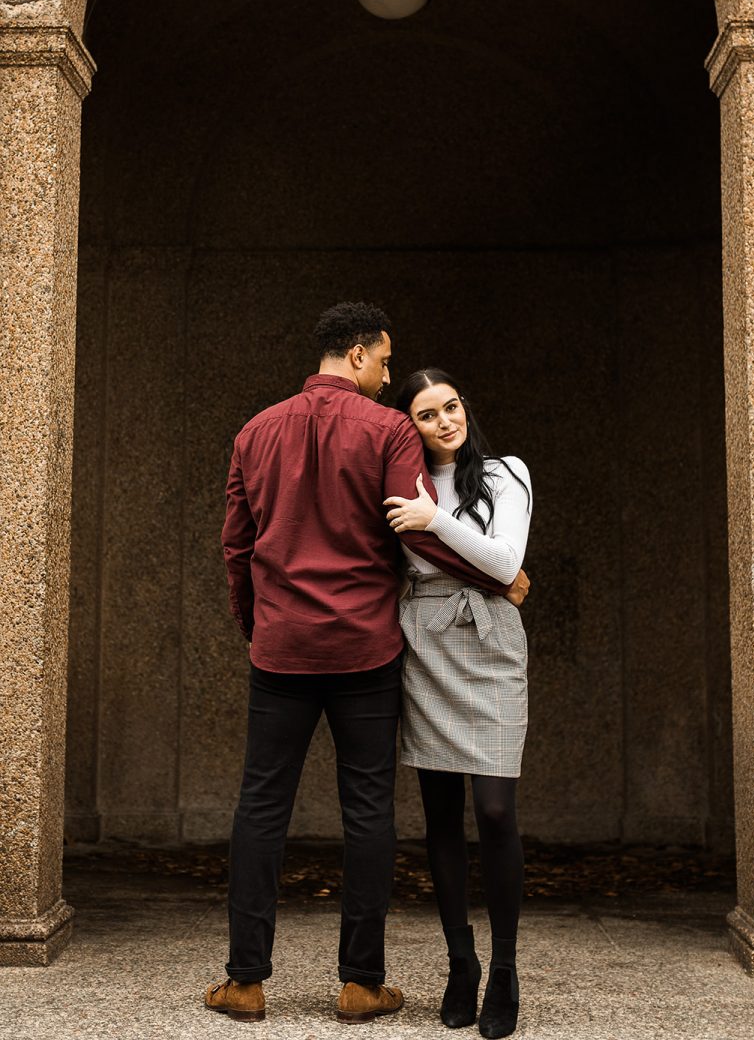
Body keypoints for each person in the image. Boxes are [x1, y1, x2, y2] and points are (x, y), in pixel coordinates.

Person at [204, 303, 528, 1026]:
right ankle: (361, 982)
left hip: (282, 648)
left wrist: (257, 625)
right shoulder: (385, 430)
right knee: (368, 811)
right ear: (355, 354)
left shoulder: (255, 432)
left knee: (260, 808)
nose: (386, 377)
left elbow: (236, 545)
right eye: (384, 362)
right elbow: (412, 527)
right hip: (366, 649)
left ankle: (246, 981)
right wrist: (496, 578)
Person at [384, 369, 532, 1040]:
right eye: (426, 414)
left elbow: (505, 565)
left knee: (495, 811)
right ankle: (461, 964)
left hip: (492, 639)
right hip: (427, 641)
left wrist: (435, 518)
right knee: (441, 815)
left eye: (451, 405)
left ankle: (504, 969)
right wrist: (420, 513)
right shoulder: (404, 485)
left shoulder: (506, 473)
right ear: (408, 426)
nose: (446, 421)